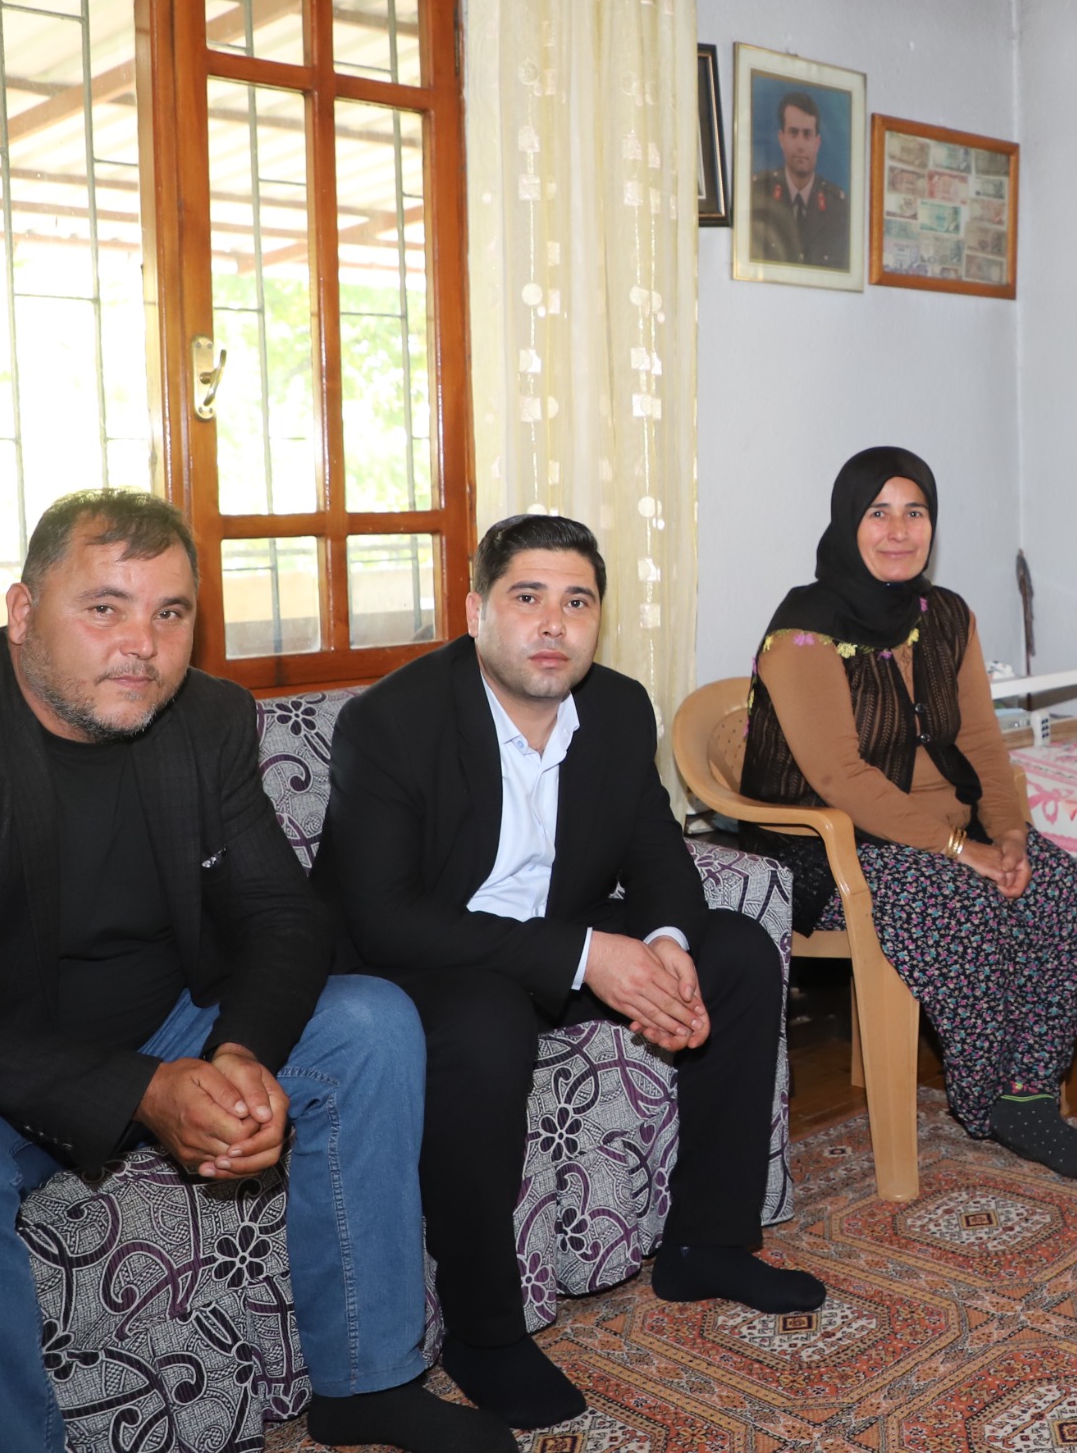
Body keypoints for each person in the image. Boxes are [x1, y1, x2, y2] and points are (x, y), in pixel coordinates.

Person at [0, 492, 507, 1453]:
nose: (142, 644)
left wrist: (239, 1053)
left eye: (170, 612)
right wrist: (143, 1090)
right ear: (24, 614)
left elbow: (281, 915)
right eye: (104, 607)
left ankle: (369, 1381)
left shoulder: (207, 717)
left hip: (156, 1025)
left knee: (372, 1022)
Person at [317, 514, 814, 1433]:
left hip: (549, 933)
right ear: (477, 612)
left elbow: (656, 849)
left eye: (577, 602)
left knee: (737, 954)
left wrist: (667, 942)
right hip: (425, 958)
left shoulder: (618, 708)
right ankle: (484, 1334)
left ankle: (707, 1244)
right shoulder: (392, 722)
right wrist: (589, 956)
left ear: (598, 620)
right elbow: (384, 917)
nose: (554, 624)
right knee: (486, 1022)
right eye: (528, 597)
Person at [738, 447, 1077, 1178]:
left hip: (950, 831)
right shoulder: (803, 631)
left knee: (1055, 880)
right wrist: (963, 851)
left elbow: (983, 742)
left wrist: (1010, 834)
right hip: (834, 843)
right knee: (959, 898)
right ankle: (987, 1097)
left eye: (916, 512)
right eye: (878, 513)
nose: (899, 532)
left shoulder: (946, 616)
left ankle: (1028, 1095)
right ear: (848, 522)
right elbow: (839, 776)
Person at [749, 89, 850, 268]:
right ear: (781, 139)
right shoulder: (757, 195)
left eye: (807, 134)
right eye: (793, 133)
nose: (801, 145)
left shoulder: (839, 208)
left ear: (817, 142)